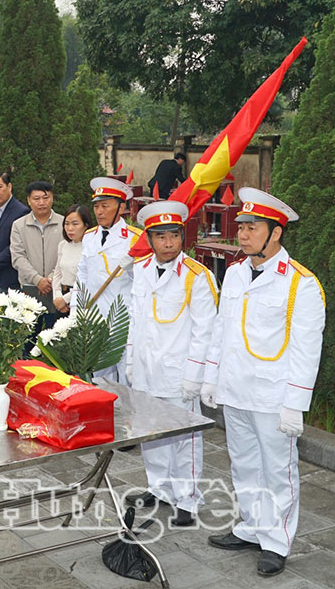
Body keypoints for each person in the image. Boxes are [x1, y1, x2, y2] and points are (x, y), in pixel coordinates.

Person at [201, 188, 325, 577]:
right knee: (244, 464)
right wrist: (211, 376)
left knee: (277, 469)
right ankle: (251, 527)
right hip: (236, 388)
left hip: (273, 396)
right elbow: (222, 329)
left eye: (252, 228)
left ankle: (276, 540)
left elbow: (307, 349)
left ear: (276, 234)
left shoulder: (301, 284)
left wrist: (295, 404)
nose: (242, 234)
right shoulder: (236, 273)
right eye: (241, 226)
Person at [124, 201, 216, 527]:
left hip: (179, 374)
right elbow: (136, 319)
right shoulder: (141, 270)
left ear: (182, 237)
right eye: (160, 237)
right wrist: (131, 361)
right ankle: (159, 487)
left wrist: (195, 375)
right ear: (149, 239)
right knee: (152, 433)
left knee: (185, 439)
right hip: (147, 369)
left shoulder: (197, 276)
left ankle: (188, 499)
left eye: (173, 236)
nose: (167, 244)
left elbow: (206, 330)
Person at [74, 177, 141, 384]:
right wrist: (77, 311)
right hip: (95, 319)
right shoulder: (89, 236)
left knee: (127, 379)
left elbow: (141, 284)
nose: (99, 212)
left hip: (123, 320)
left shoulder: (135, 239)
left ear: (121, 208)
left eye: (105, 206)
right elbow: (82, 276)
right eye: (96, 206)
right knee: (99, 379)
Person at [9, 181, 64, 325]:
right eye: (36, 199)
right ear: (28, 200)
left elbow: (66, 257)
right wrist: (37, 280)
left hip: (57, 288)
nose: (41, 202)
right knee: (29, 338)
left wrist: (51, 279)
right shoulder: (18, 225)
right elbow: (18, 257)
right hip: (30, 289)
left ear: (52, 198)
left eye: (45, 198)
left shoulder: (64, 224)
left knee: (56, 335)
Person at [52, 205, 93, 314]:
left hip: (79, 299)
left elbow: (88, 280)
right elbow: (57, 273)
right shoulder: (63, 245)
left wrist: (66, 299)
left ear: (85, 225)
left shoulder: (91, 248)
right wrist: (57, 297)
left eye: (75, 224)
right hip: (61, 299)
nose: (70, 228)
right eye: (67, 224)